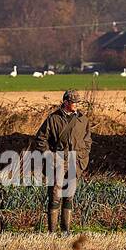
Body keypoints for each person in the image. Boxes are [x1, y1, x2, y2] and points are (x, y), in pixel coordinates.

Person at [32, 89, 92, 232]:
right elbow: (40, 139)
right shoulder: (53, 119)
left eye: (78, 102)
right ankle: (52, 232)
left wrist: (82, 156)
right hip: (58, 160)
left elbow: (87, 140)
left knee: (69, 196)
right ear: (65, 102)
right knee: (55, 195)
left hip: (75, 161)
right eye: (74, 102)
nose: (77, 104)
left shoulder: (83, 120)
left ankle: (66, 231)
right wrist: (49, 156)